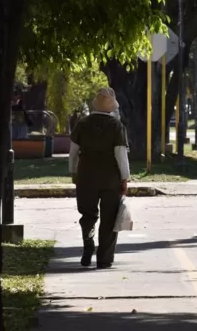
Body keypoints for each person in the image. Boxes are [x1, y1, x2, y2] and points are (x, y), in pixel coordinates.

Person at [69, 87, 130, 269]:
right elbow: (120, 154)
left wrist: (73, 172)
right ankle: (104, 259)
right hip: (111, 178)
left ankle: (88, 244)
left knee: (88, 215)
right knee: (109, 218)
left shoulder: (82, 124)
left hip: (86, 175)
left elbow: (73, 152)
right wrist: (125, 178)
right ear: (112, 107)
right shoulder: (117, 126)